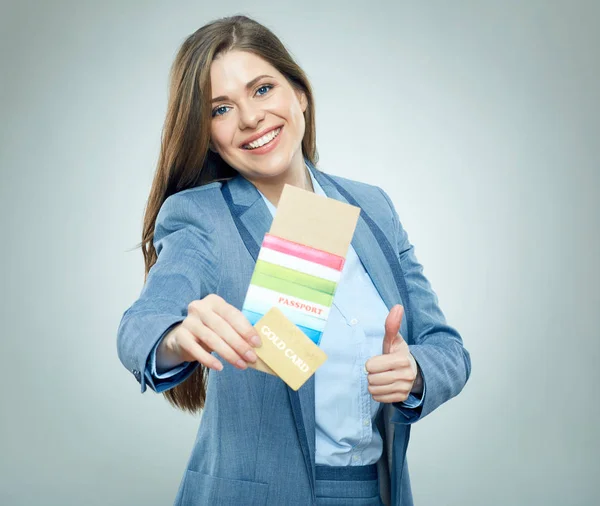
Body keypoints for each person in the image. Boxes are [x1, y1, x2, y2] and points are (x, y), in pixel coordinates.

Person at [116, 15, 471, 506]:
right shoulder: (201, 217)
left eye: (262, 89)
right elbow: (141, 326)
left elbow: (447, 349)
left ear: (299, 94)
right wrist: (177, 337)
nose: (249, 118)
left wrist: (416, 373)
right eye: (221, 108)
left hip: (375, 493)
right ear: (207, 133)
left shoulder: (373, 208)